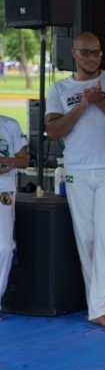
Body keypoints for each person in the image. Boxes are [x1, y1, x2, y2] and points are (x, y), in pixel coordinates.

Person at [45, 31, 105, 330]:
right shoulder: (59, 88)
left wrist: (101, 103)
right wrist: (84, 105)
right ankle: (96, 304)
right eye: (85, 52)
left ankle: (102, 309)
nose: (91, 58)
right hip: (77, 170)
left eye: (96, 53)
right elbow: (53, 131)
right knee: (86, 239)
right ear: (73, 53)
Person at [0, 114, 28, 320]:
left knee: (5, 248)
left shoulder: (9, 124)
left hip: (4, 192)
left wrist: (7, 161)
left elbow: (24, 161)